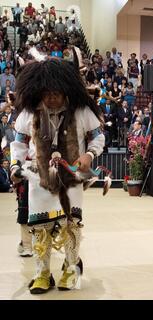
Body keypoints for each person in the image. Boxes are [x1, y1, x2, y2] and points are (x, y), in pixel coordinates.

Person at [10, 58, 105, 294]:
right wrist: (15, 166)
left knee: (71, 224)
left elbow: (97, 137)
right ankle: (42, 273)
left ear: (66, 90)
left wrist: (89, 156)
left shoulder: (81, 112)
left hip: (71, 178)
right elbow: (18, 143)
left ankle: (71, 268)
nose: (51, 97)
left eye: (56, 93)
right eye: (47, 93)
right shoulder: (28, 114)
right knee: (40, 228)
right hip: (39, 179)